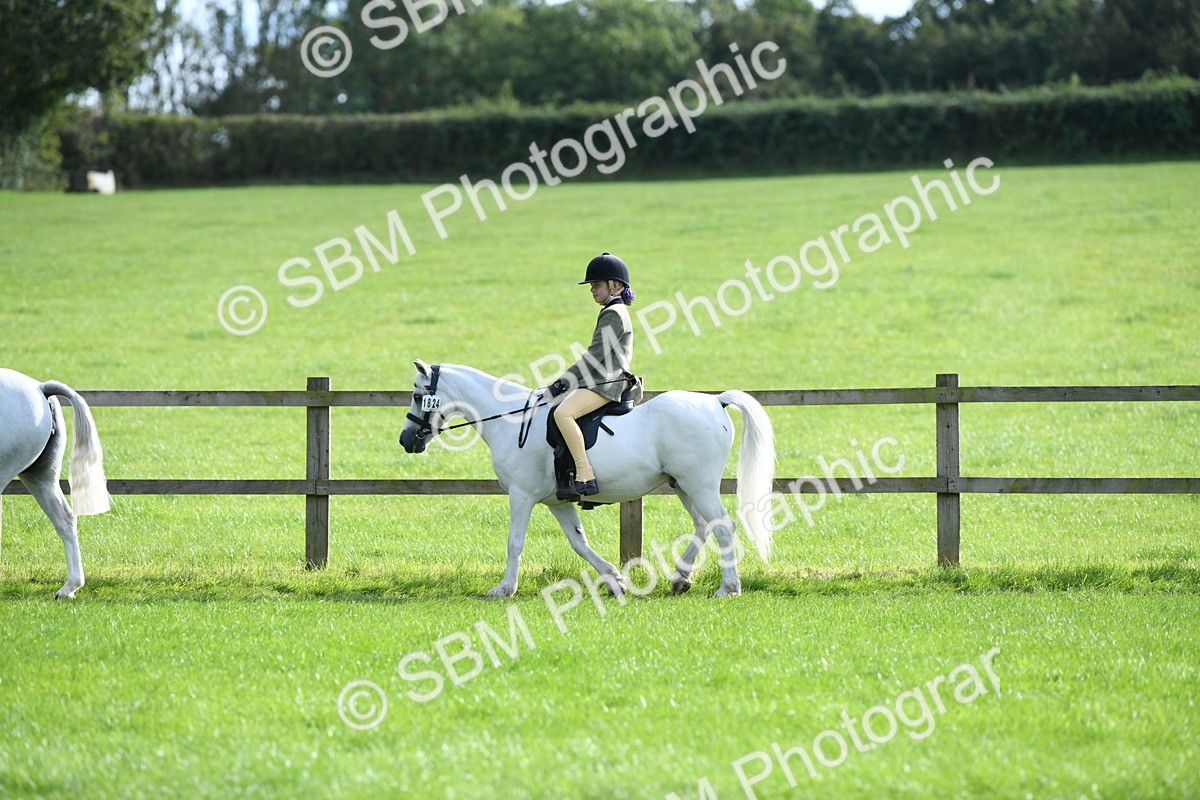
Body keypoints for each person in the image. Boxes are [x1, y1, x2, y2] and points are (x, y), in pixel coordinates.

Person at [545, 252, 636, 497]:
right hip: (601, 380)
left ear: (615, 286)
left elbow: (594, 357)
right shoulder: (612, 311)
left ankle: (585, 473)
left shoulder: (613, 314)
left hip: (607, 384)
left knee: (563, 413)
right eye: (592, 285)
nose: (592, 290)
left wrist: (562, 383)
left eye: (596, 285)